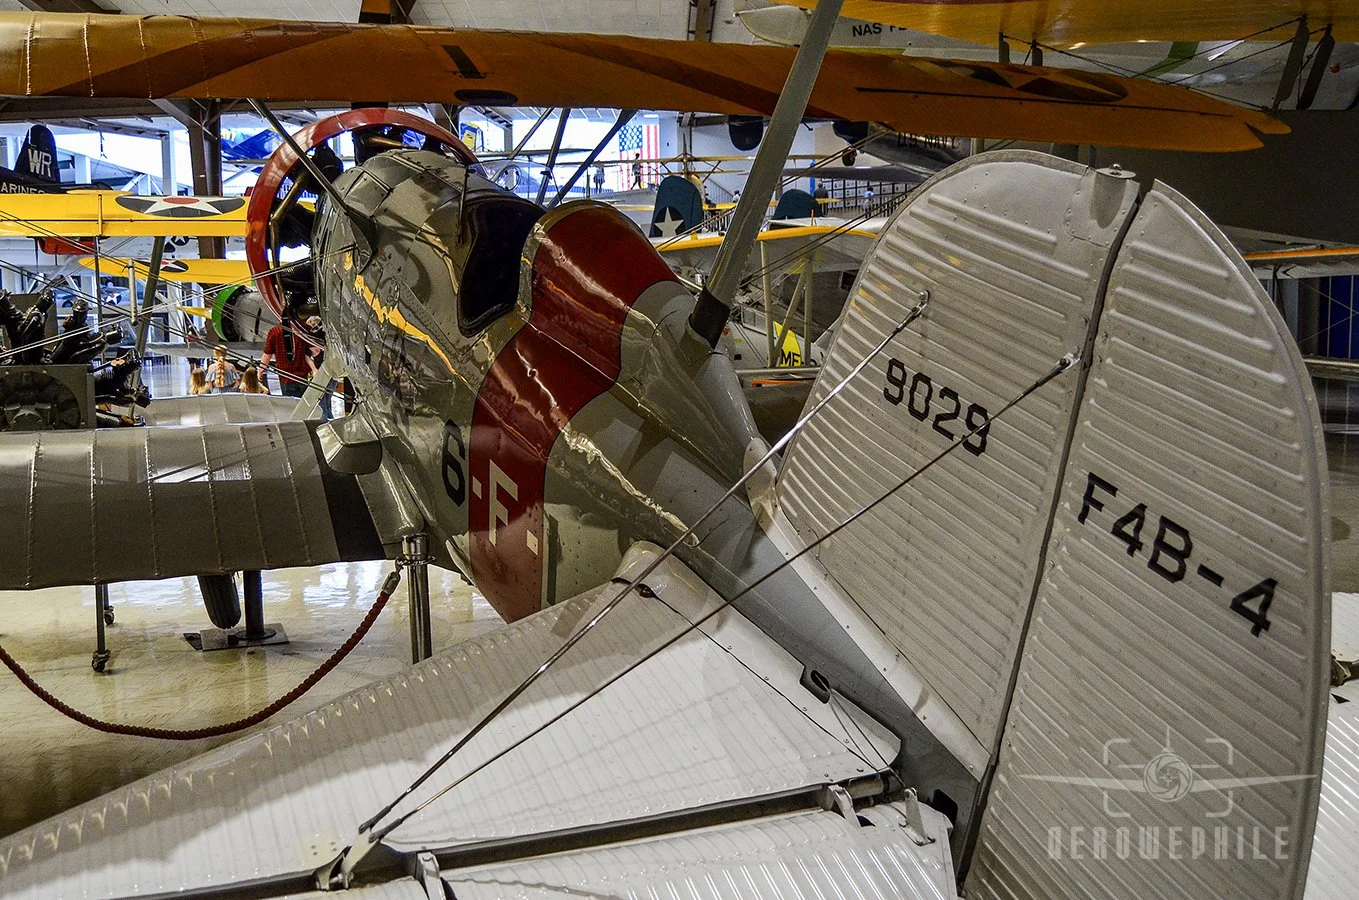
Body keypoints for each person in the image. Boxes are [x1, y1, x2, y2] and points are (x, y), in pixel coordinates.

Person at [260, 313, 315, 398]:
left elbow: (267, 355)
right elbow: (316, 351)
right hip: (304, 377)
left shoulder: (274, 332)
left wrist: (260, 370)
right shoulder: (306, 330)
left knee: (289, 406)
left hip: (285, 377)